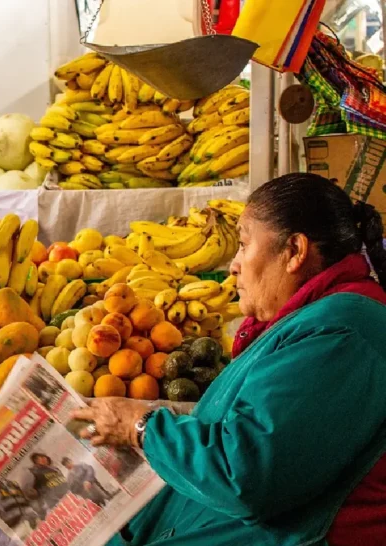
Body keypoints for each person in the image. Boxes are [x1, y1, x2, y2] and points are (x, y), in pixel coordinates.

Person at [71, 173, 386, 545]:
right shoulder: (317, 320)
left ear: (294, 251)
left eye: (244, 245)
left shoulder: (342, 333)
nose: (234, 265)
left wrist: (140, 428)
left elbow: (247, 474)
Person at [26, 453, 68, 518]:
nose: (42, 459)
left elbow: (63, 480)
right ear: (36, 464)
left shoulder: (55, 468)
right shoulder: (38, 474)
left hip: (67, 494)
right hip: (57, 501)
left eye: (43, 457)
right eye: (38, 459)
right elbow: (37, 491)